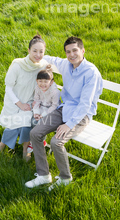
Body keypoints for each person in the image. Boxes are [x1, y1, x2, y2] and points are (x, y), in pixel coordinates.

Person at [25, 36, 103, 190]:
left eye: (75, 50)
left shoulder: (91, 73)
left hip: (81, 115)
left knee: (56, 142)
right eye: (68, 52)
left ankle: (65, 178)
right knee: (35, 133)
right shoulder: (66, 64)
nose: (72, 54)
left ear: (82, 50)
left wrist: (69, 125)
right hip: (63, 108)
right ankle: (43, 175)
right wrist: (33, 56)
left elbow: (85, 104)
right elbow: (47, 58)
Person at [0, 35, 49, 161]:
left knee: (28, 121)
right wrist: (20, 104)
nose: (38, 54)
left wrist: (34, 102)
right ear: (28, 50)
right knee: (16, 122)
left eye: (41, 52)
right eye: (35, 51)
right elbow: (8, 88)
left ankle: (25, 149)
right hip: (14, 100)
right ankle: (1, 144)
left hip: (30, 101)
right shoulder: (18, 65)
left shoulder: (43, 65)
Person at [27, 65, 61, 153]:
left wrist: (43, 115)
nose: (43, 84)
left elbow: (55, 106)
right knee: (30, 119)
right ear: (36, 81)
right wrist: (36, 112)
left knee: (40, 122)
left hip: (52, 110)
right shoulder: (37, 88)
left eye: (46, 81)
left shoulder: (55, 92)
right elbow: (36, 100)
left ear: (51, 82)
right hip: (41, 107)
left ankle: (39, 141)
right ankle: (37, 140)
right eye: (40, 81)